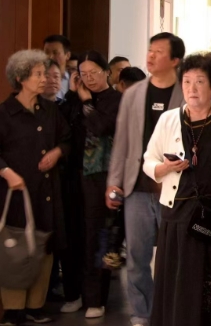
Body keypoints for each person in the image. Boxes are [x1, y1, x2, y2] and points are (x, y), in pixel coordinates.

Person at [143, 54, 211, 326]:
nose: (192, 88)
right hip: (178, 214)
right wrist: (164, 168)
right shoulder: (169, 119)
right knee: (180, 281)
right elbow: (148, 160)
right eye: (187, 81)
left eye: (200, 82)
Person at [106, 33, 186, 326]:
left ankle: (172, 310)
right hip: (136, 188)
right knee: (137, 256)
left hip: (174, 188)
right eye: (150, 50)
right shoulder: (134, 93)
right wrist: (114, 181)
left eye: (159, 52)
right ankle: (142, 312)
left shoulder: (186, 91)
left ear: (175, 60)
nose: (151, 56)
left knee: (174, 256)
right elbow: (122, 141)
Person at [0, 50, 71, 325]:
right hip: (16, 193)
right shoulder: (5, 112)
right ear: (20, 78)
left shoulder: (50, 110)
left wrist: (57, 152)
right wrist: (6, 172)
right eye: (38, 74)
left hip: (47, 191)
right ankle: (13, 309)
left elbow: (67, 139)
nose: (45, 79)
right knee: (16, 249)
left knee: (44, 246)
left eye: (45, 73)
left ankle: (35, 306)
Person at [61, 51, 122, 319]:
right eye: (83, 74)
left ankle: (96, 298)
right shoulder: (74, 99)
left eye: (94, 73)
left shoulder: (116, 100)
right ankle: (73, 293)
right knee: (73, 235)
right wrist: (74, 95)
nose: (89, 78)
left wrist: (86, 101)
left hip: (101, 178)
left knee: (97, 237)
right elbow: (63, 128)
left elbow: (100, 127)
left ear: (106, 71)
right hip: (73, 176)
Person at [43, 35, 73, 100]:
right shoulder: (38, 79)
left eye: (55, 53)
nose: (50, 57)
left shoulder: (74, 80)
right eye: (47, 52)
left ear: (67, 55)